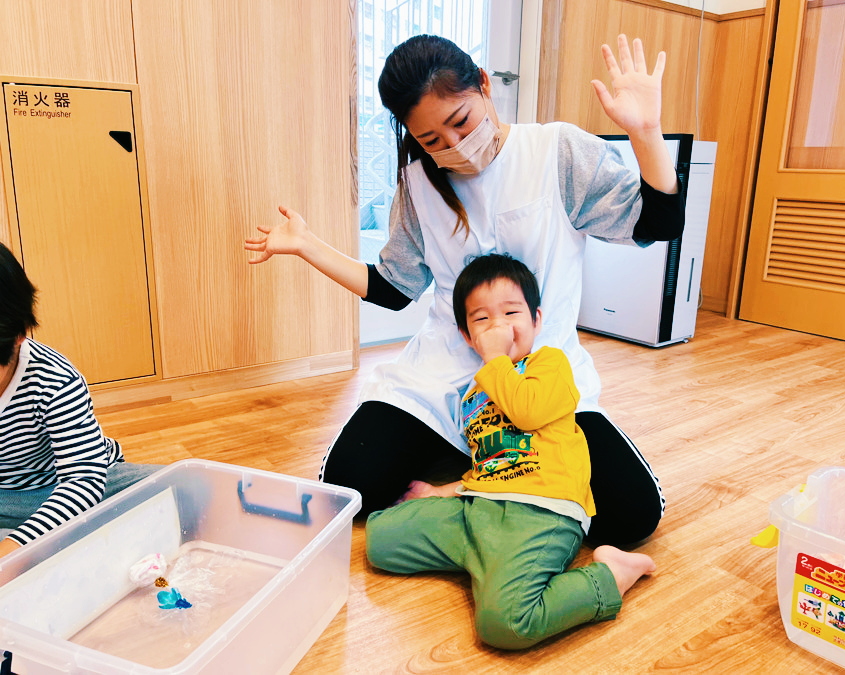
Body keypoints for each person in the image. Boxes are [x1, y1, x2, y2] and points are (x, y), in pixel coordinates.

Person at [245, 33, 683, 546]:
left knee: (631, 516)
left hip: (540, 376)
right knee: (350, 488)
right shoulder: (418, 184)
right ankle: (487, 461)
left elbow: (657, 223)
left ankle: (466, 476)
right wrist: (307, 245)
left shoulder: (556, 151)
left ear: (484, 86)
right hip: (447, 372)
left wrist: (645, 132)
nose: (453, 146)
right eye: (431, 140)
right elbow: (393, 288)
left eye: (461, 122)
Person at [366, 253, 656, 649]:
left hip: (541, 512)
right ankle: (486, 562)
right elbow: (487, 463)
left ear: (536, 320)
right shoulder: (476, 391)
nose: (498, 326)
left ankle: (611, 575)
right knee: (381, 537)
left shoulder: (550, 364)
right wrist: (441, 492)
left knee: (506, 624)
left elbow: (527, 411)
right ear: (466, 334)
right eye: (482, 319)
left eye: (511, 313)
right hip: (479, 511)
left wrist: (495, 358)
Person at [0, 243, 161, 556]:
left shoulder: (55, 380)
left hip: (62, 483)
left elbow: (84, 479)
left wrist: (13, 551)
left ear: (18, 336)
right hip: (6, 498)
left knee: (180, 488)